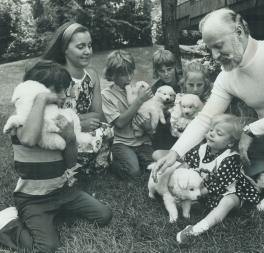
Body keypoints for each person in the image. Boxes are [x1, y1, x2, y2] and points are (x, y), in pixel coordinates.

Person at [154, 8, 264, 212]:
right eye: (211, 49)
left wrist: (250, 130)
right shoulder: (226, 76)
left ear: (239, 31)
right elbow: (204, 119)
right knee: (227, 156)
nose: (215, 56)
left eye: (219, 46)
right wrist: (176, 152)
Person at [0, 61, 112, 253]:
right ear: (37, 90)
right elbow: (28, 139)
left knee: (104, 215)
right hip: (33, 199)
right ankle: (8, 223)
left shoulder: (60, 118)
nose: (63, 96)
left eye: (65, 90)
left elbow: (70, 162)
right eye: (58, 90)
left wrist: (70, 139)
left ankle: (55, 214)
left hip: (62, 192)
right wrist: (41, 100)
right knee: (46, 247)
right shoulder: (20, 121)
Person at [173, 114, 260, 244]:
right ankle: (196, 205)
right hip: (204, 192)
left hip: (228, 192)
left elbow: (218, 186)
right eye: (211, 130)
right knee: (179, 198)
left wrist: (192, 195)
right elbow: (187, 166)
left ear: (230, 142)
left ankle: (197, 229)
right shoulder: (201, 149)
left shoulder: (230, 158)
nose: (212, 134)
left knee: (227, 202)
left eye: (219, 133)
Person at [43, 22, 113, 176]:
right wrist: (79, 122)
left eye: (89, 45)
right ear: (65, 49)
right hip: (63, 132)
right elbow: (52, 117)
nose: (87, 51)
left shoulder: (92, 76)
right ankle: (69, 168)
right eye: (80, 47)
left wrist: (83, 121)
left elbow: (97, 113)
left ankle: (91, 166)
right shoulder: (56, 76)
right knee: (66, 138)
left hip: (83, 128)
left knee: (107, 130)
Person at [101, 50, 154, 178]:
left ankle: (137, 160)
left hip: (142, 141)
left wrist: (148, 127)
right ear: (112, 75)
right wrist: (139, 100)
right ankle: (111, 161)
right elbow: (119, 122)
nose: (129, 78)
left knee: (155, 166)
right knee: (133, 172)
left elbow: (151, 111)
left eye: (131, 72)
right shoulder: (106, 95)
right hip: (122, 142)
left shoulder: (138, 89)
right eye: (123, 75)